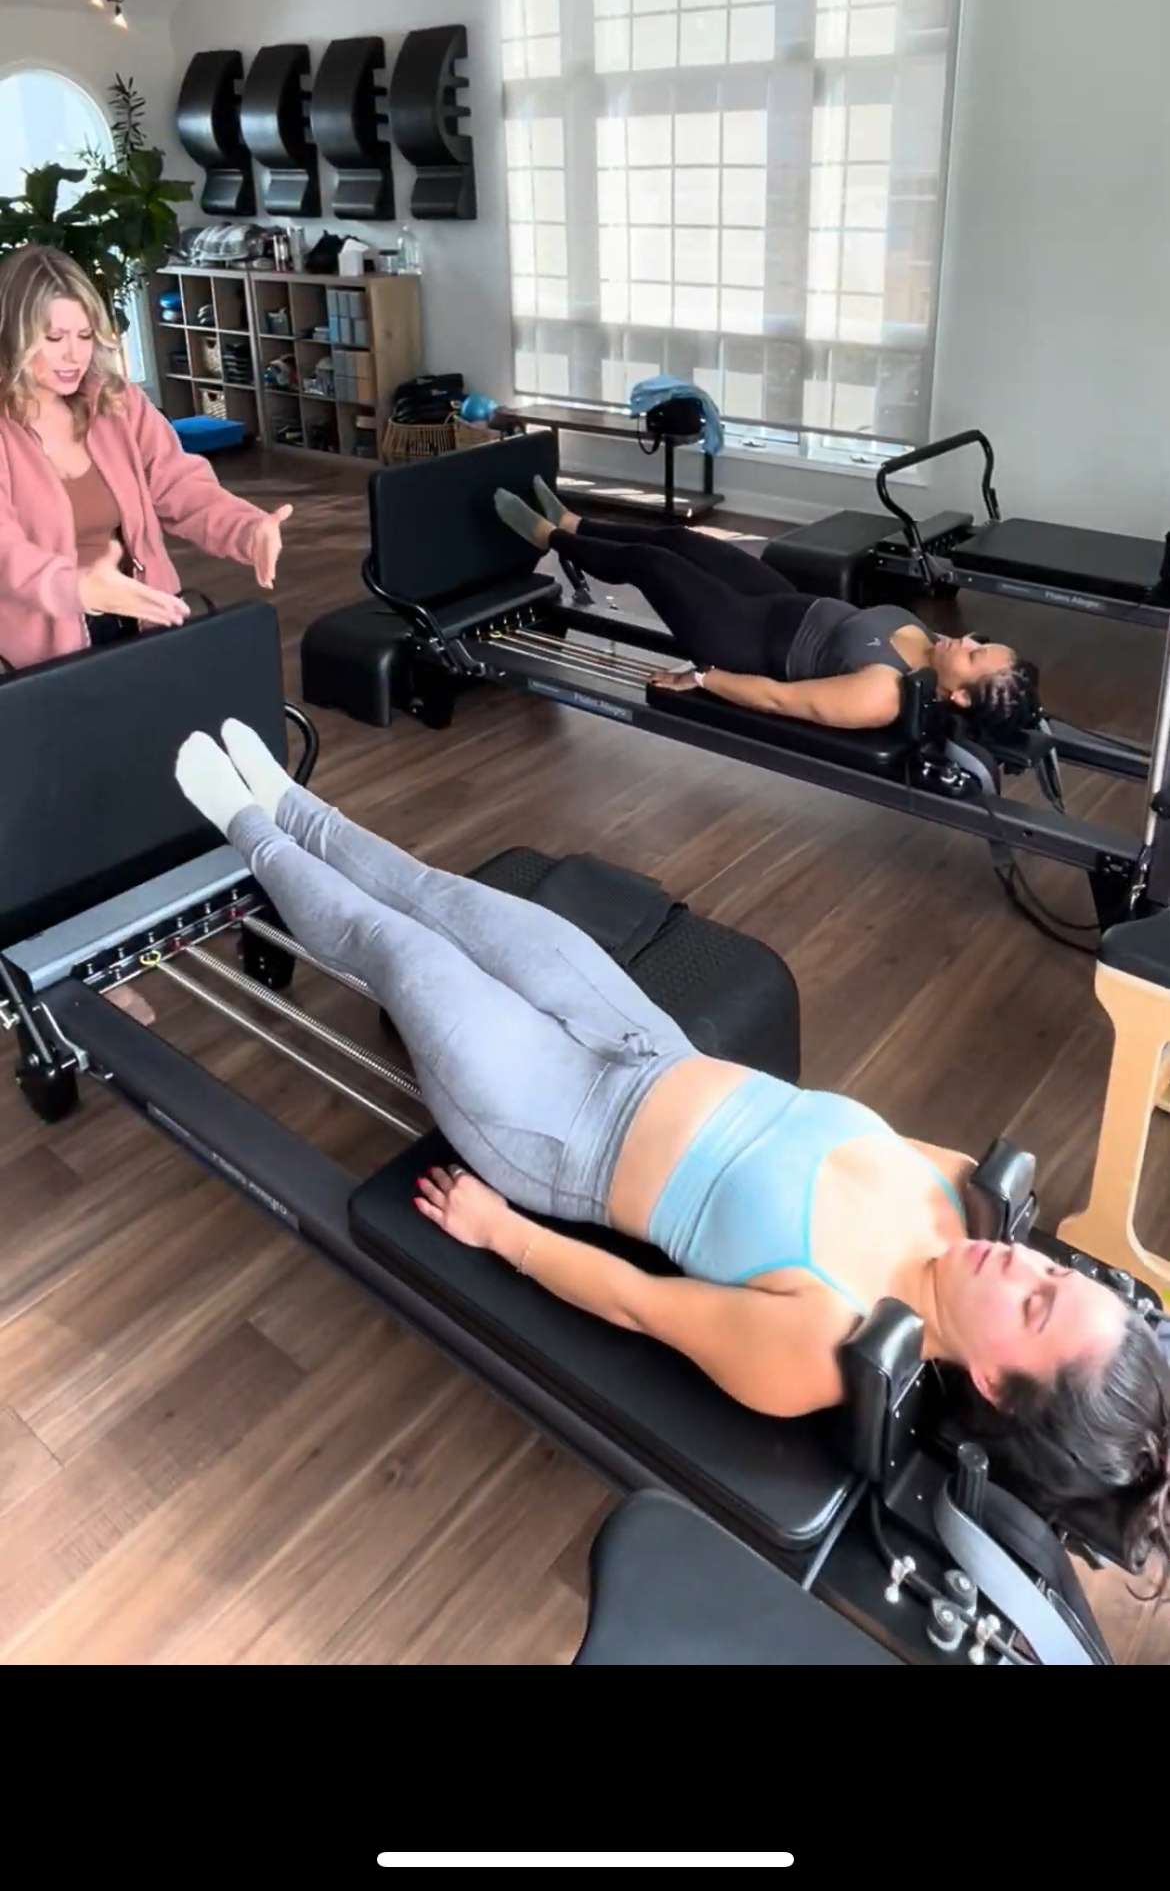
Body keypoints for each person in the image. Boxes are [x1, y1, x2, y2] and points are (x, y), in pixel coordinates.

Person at [174, 719, 1170, 1590]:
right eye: (1052, 1270)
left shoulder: (827, 1340)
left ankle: (247, 828)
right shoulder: (958, 1195)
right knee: (446, 900)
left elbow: (637, 1305)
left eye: (1035, 1303)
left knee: (401, 954)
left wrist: (505, 1235)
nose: (1025, 1263)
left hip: (557, 1129)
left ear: (994, 1384)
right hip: (646, 1040)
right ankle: (295, 804)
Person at [493, 479, 1039, 739]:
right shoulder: (929, 646)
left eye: (974, 655)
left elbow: (781, 699)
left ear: (960, 696)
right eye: (979, 641)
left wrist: (703, 678)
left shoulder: (882, 694)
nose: (966, 641)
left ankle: (546, 537)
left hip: (742, 638)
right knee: (685, 542)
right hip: (781, 603)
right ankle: (574, 525)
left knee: (654, 566)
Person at [0, 244, 292, 671]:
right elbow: (6, 553)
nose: (73, 355)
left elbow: (181, 486)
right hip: (40, 653)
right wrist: (78, 588)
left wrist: (246, 528)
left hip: (142, 616)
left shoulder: (117, 403)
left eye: (84, 336)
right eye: (54, 338)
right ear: (14, 337)